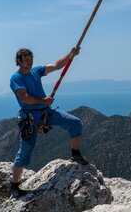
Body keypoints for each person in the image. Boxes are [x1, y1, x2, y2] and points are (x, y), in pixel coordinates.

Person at [10, 47, 88, 195]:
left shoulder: (36, 71)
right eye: (25, 59)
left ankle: (75, 154)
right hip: (30, 118)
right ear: (18, 61)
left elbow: (57, 65)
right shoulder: (16, 78)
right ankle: (14, 186)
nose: (29, 61)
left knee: (75, 122)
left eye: (30, 58)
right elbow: (24, 98)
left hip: (46, 112)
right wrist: (43, 100)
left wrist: (70, 54)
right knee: (25, 150)